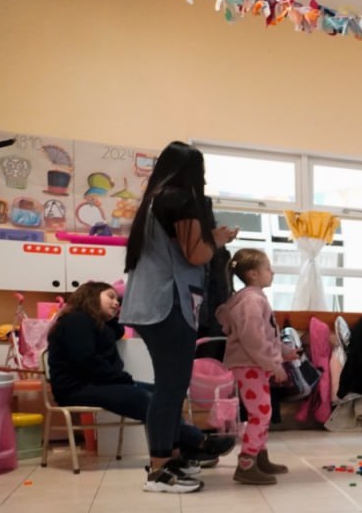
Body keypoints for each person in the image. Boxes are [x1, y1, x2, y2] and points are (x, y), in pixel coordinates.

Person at [120, 141, 238, 493]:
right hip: (166, 304)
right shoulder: (179, 199)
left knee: (171, 386)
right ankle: (159, 470)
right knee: (170, 388)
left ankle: (170, 457)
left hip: (153, 303)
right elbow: (196, 253)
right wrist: (217, 238)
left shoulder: (156, 199)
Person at [45, 281, 228, 475]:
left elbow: (118, 331)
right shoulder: (76, 320)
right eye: (111, 296)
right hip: (77, 388)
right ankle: (199, 441)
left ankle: (186, 448)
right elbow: (85, 361)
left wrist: (111, 317)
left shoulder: (96, 324)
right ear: (91, 296)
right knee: (146, 399)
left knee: (164, 395)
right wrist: (121, 378)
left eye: (117, 299)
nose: (117, 303)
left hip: (97, 383)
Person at [215, 249, 290, 486]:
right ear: (253, 274)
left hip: (252, 363)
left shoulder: (254, 298)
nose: (273, 272)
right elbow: (253, 339)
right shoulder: (251, 300)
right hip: (249, 364)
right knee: (261, 413)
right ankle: (247, 463)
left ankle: (259, 456)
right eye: (268, 268)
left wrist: (284, 353)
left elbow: (265, 335)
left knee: (262, 412)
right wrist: (273, 364)